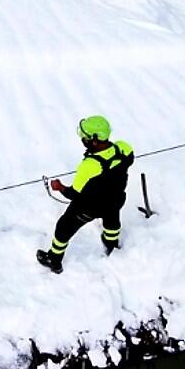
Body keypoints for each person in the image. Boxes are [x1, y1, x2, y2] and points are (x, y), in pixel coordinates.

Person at [37, 116, 134, 274]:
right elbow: (129, 160)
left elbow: (73, 194)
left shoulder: (90, 165)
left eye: (85, 137)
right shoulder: (124, 148)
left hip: (89, 208)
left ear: (94, 141)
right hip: (115, 200)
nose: (82, 139)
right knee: (112, 221)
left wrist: (59, 187)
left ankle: (54, 259)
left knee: (64, 227)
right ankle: (111, 243)